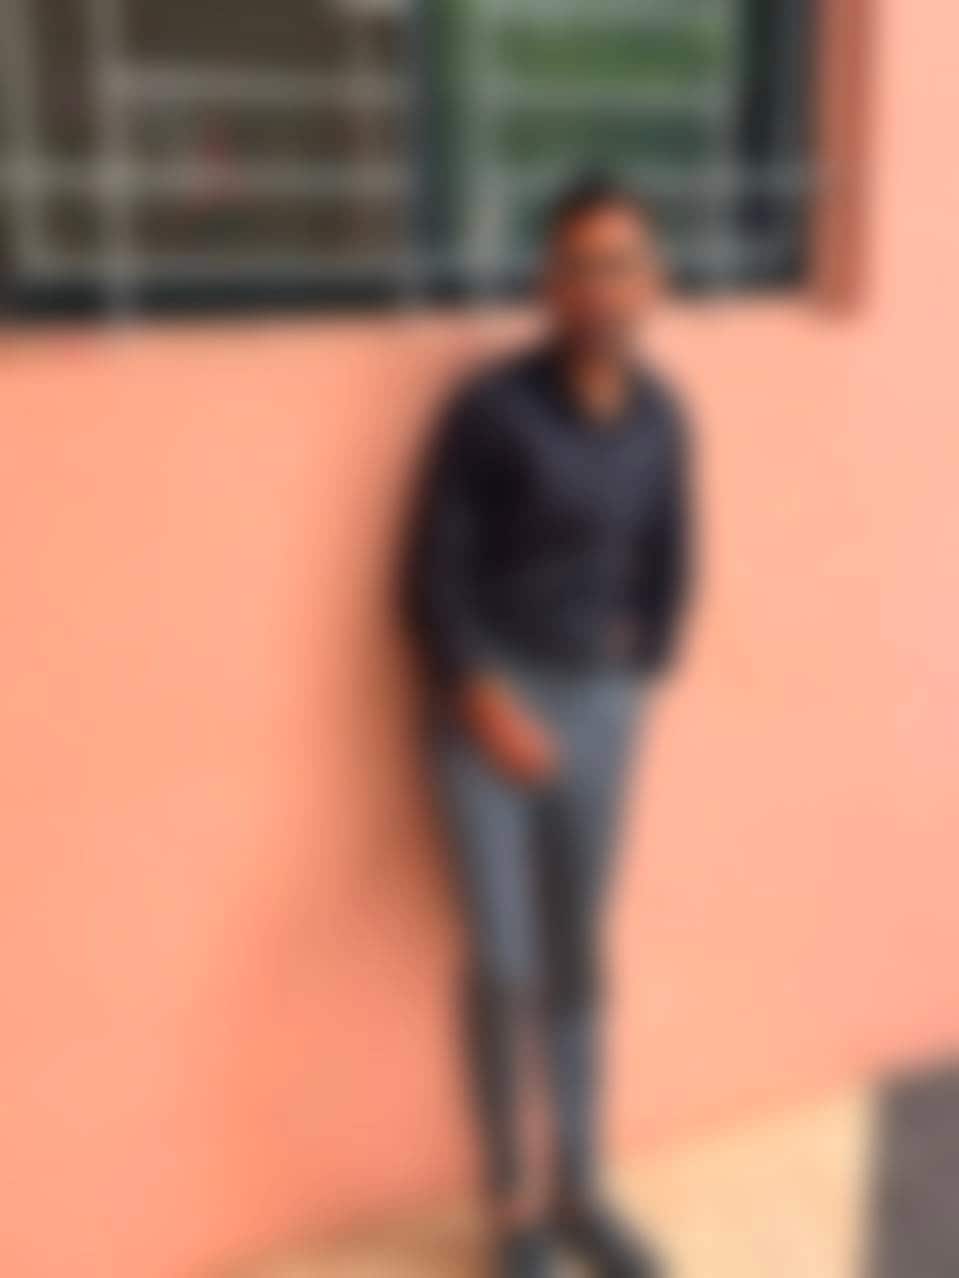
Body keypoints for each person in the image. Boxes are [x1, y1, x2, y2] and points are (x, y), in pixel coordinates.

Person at [405, 176, 694, 1278]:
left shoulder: (663, 419)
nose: (597, 287)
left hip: (598, 708)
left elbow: (672, 564)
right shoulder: (488, 410)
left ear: (652, 282)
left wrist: (629, 677)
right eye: (576, 266)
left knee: (576, 956)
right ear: (547, 284)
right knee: (504, 960)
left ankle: (580, 1188)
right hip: (487, 703)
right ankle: (512, 1206)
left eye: (618, 265)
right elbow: (426, 581)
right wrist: (487, 703)